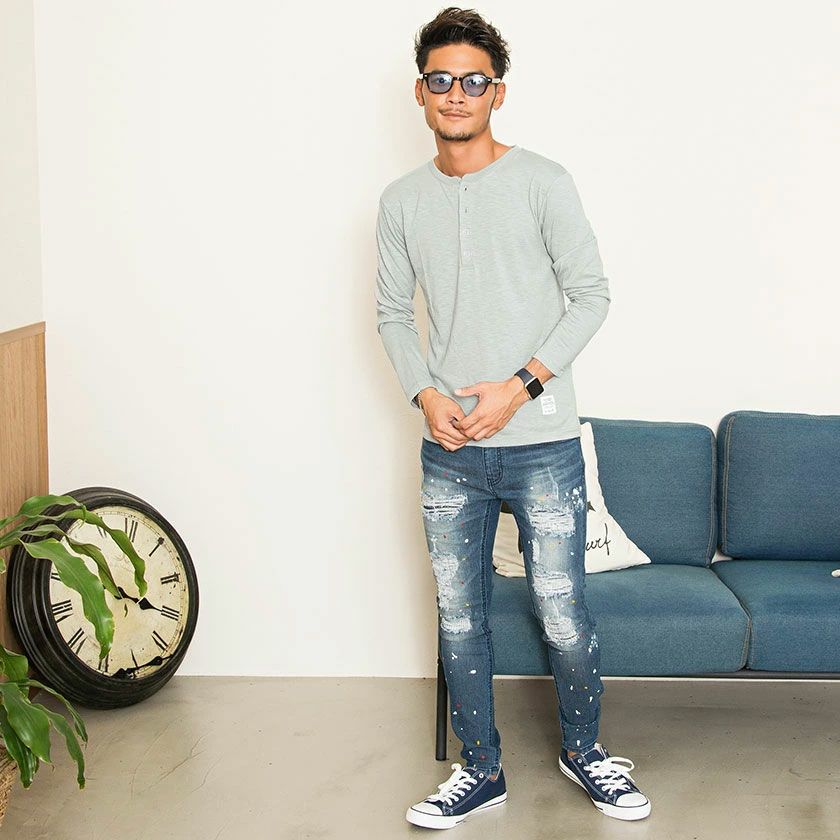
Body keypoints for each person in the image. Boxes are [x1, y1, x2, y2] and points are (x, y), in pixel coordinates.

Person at [374, 6, 651, 830]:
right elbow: (392, 314)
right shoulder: (401, 201)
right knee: (460, 618)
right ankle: (481, 770)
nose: (455, 93)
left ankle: (585, 752)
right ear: (420, 92)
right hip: (448, 448)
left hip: (542, 444)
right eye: (440, 79)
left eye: (473, 80)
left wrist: (518, 387)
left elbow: (591, 295)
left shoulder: (543, 181)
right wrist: (427, 396)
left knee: (562, 612)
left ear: (498, 92)